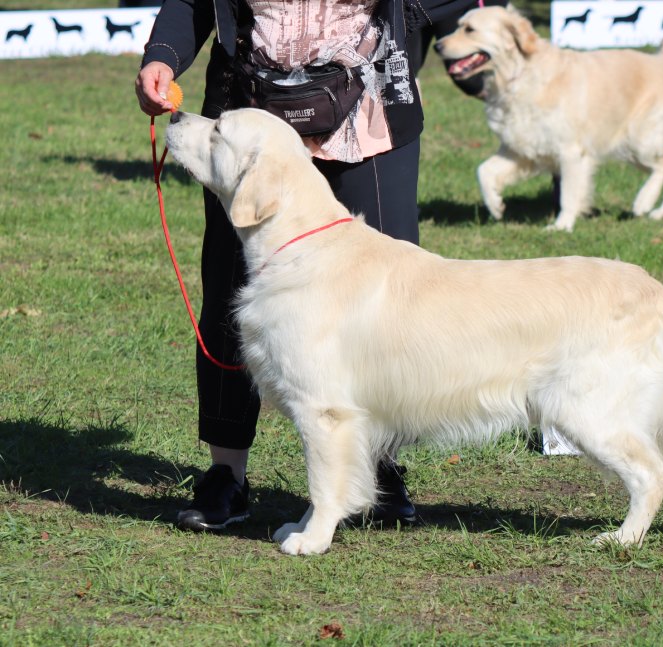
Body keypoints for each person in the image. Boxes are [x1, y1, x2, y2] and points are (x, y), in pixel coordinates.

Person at [135, 0, 473, 532]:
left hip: (369, 107)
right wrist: (163, 55)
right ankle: (226, 474)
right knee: (231, 291)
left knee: (388, 304)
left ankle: (376, 469)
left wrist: (406, 12)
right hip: (249, 109)